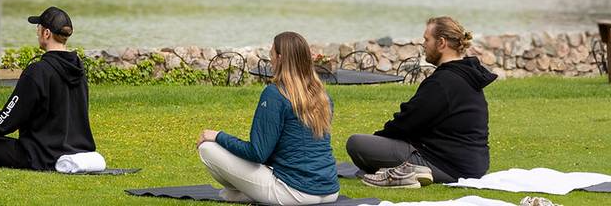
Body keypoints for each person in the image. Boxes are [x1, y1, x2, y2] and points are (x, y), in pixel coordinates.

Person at [350, 16, 496, 187]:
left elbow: (406, 123)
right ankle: (399, 170)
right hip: (472, 165)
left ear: (441, 43)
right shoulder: (465, 75)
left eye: (427, 39)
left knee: (356, 143)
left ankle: (407, 173)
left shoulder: (444, 82)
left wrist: (378, 141)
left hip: (449, 166)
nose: (423, 45)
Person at [197, 31, 340, 205]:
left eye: (271, 53)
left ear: (280, 58)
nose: (270, 58)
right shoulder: (323, 96)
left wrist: (219, 136)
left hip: (294, 193)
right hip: (330, 191)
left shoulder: (274, 94)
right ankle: (248, 192)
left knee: (208, 148)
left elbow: (257, 153)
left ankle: (246, 193)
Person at [0, 6, 95, 169]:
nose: (36, 32)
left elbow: (5, 121)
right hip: (77, 152)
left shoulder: (38, 71)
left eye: (38, 28)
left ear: (46, 33)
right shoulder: (79, 69)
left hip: (40, 156)